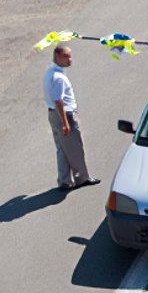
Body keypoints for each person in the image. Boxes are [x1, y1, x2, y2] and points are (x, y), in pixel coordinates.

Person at [43, 45, 100, 191]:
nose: (70, 59)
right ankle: (82, 178)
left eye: (70, 56)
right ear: (57, 57)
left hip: (53, 114)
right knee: (75, 148)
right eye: (66, 56)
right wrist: (65, 122)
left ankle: (64, 181)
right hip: (64, 115)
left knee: (62, 149)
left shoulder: (50, 72)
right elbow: (58, 100)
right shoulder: (59, 77)